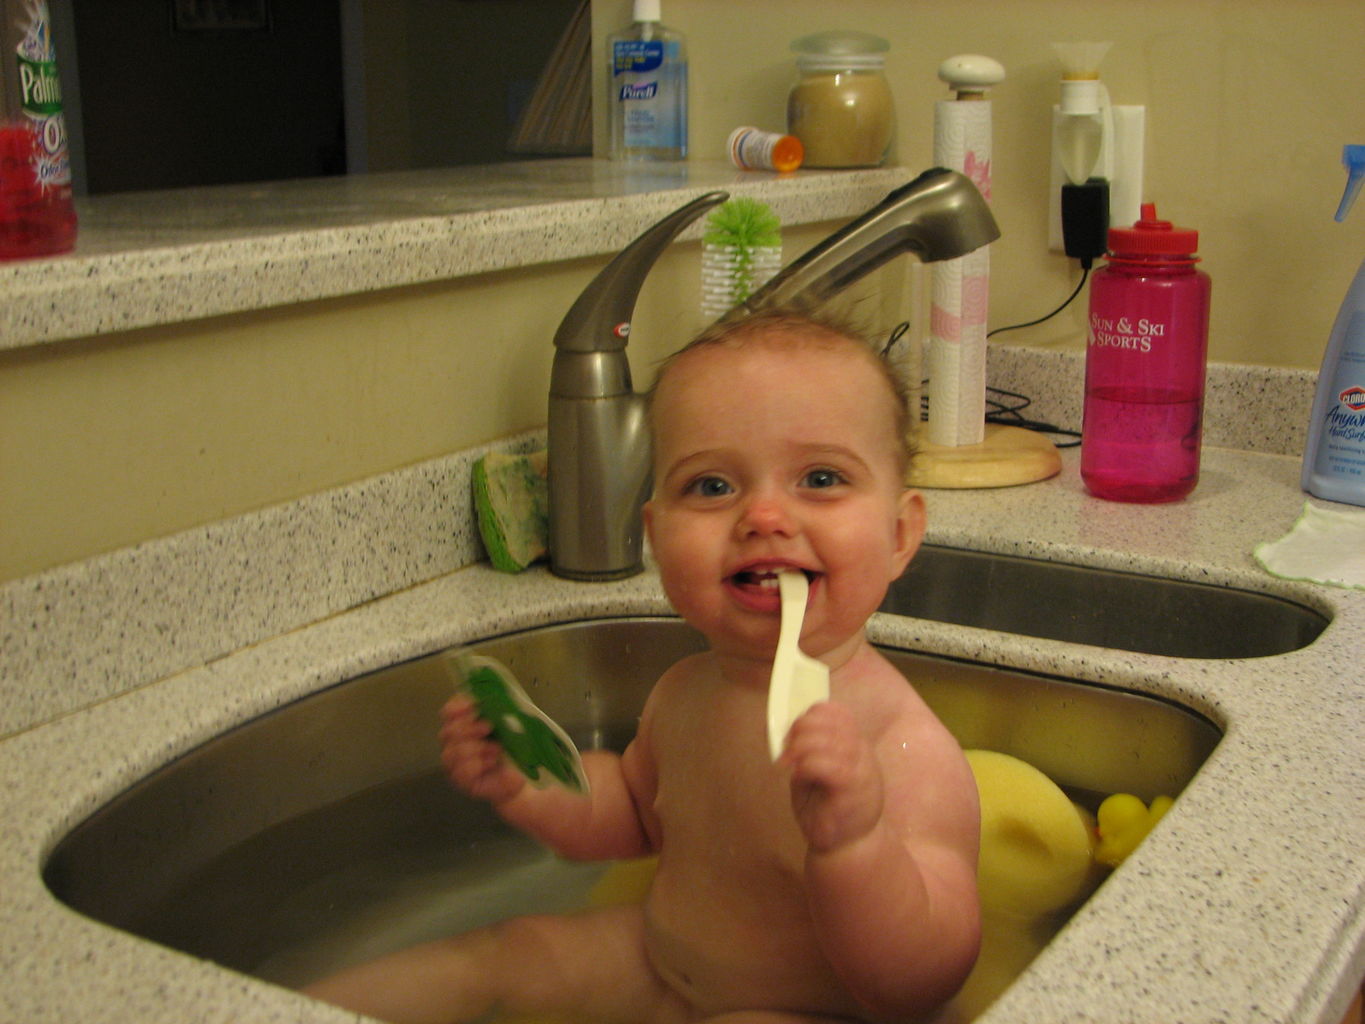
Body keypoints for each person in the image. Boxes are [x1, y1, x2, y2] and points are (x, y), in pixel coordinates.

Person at [304, 309, 982, 1024]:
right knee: (510, 951)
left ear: (900, 533)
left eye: (819, 477)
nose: (763, 516)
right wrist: (535, 784)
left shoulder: (903, 747)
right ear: (656, 536)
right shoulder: (685, 690)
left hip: (806, 1011)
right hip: (661, 965)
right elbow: (631, 813)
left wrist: (855, 842)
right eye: (712, 487)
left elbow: (921, 982)